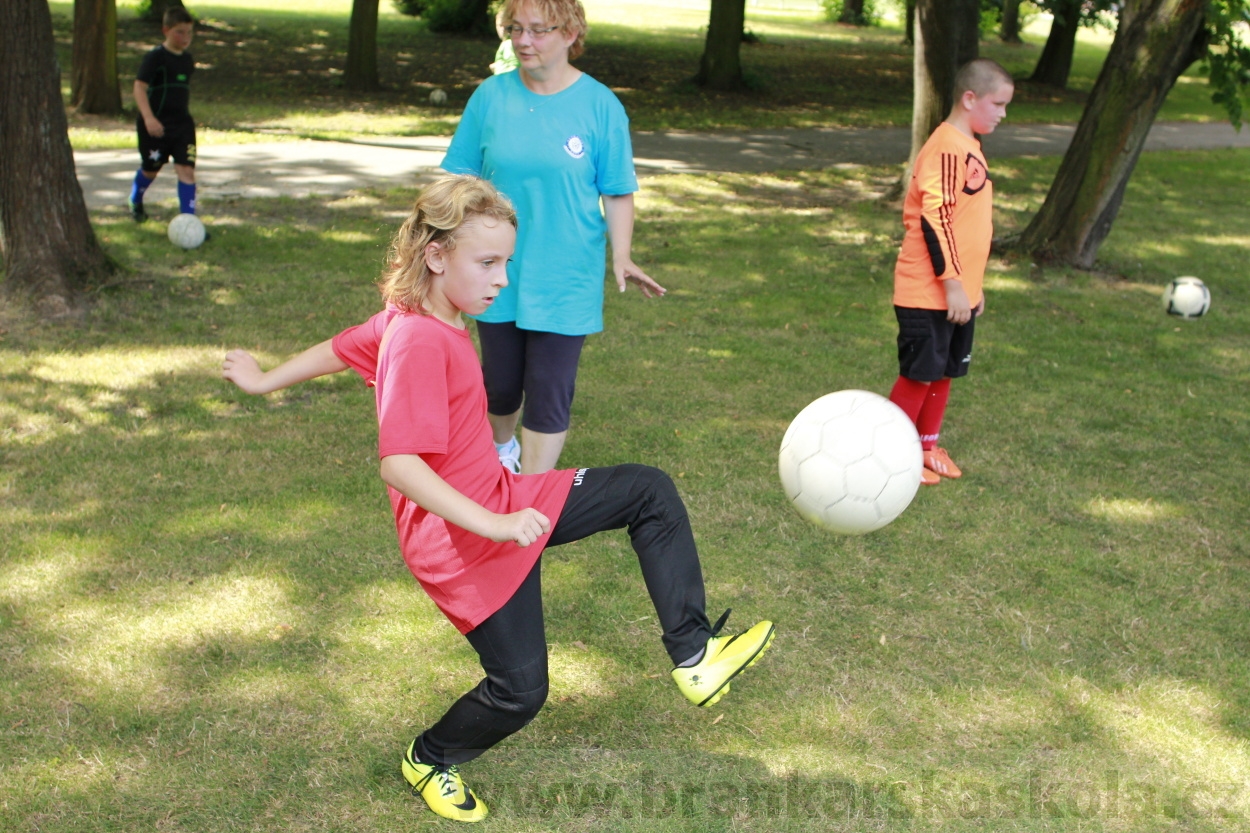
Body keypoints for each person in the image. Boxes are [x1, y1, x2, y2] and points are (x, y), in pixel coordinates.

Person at [222, 175, 775, 824]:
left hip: (503, 497)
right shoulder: (420, 341)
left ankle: (694, 653)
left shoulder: (422, 314)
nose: (501, 279)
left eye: (506, 262)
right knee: (520, 690)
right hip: (461, 540)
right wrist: (495, 521)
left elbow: (342, 346)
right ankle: (428, 757)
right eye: (487, 263)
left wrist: (264, 379)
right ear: (436, 256)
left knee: (646, 490)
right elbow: (399, 464)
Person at [441, 0, 663, 476]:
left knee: (548, 385)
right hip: (495, 270)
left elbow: (618, 190)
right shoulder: (489, 98)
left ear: (570, 32)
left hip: (567, 274)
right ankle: (502, 453)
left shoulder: (600, 105)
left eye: (538, 30)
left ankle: (533, 488)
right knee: (499, 384)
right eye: (515, 29)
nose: (523, 41)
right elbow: (455, 183)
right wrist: (440, 247)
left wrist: (620, 255)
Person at [888, 59, 1013, 487]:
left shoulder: (970, 146)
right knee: (920, 372)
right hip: (928, 291)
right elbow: (935, 218)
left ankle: (925, 446)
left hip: (957, 292)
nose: (1002, 113)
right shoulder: (945, 147)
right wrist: (954, 286)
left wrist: (973, 288)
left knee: (945, 370)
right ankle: (892, 454)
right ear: (970, 98)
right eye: (998, 104)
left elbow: (968, 223)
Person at [128, 6, 201, 224]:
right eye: (180, 32)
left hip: (182, 125)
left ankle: (189, 220)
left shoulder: (188, 60)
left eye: (189, 32)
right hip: (156, 124)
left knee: (186, 170)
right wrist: (149, 118)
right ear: (166, 30)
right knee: (151, 169)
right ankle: (135, 200)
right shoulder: (155, 58)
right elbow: (139, 87)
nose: (185, 37)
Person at [489, 8, 519, 75]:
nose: (502, 30)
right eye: (500, 26)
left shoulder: (509, 44)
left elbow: (515, 67)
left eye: (506, 27)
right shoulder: (505, 44)